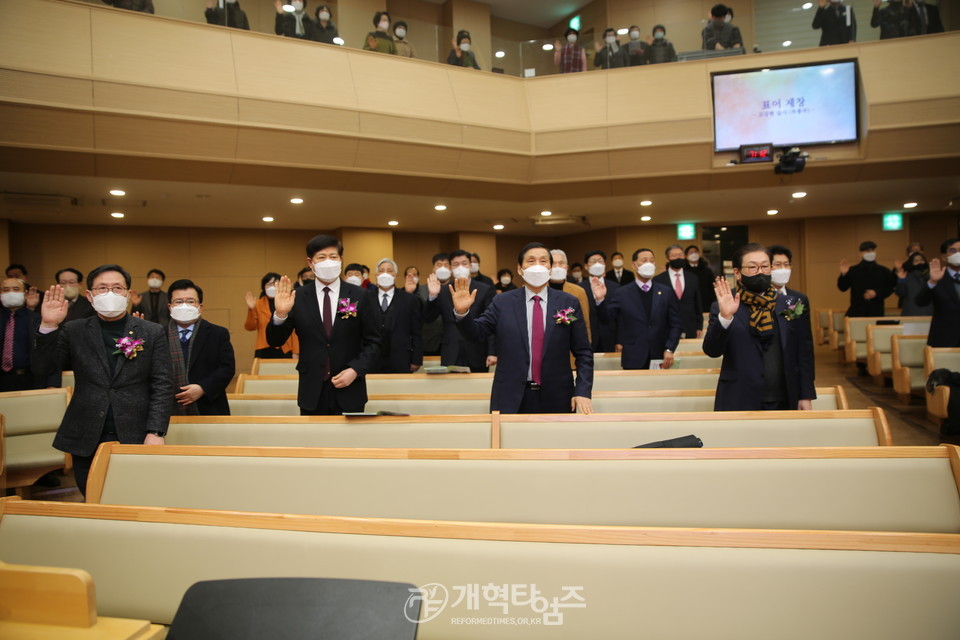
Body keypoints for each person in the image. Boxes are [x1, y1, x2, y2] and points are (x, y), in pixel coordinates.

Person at [33, 264, 172, 497]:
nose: (110, 293)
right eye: (102, 288)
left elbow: (162, 384)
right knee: (92, 495)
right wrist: (48, 326)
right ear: (89, 295)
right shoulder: (73, 330)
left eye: (117, 288)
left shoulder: (151, 332)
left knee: (135, 496)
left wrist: (156, 432)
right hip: (86, 432)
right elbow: (42, 369)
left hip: (135, 432)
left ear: (128, 294)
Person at [452, 243, 593, 414]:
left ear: (550, 268)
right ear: (520, 269)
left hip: (558, 395)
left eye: (543, 261)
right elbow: (476, 334)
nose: (537, 266)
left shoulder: (568, 302)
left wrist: (583, 391)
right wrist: (462, 313)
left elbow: (583, 352)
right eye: (531, 261)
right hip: (510, 395)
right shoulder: (502, 302)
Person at [266, 235, 382, 415]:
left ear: (341, 260)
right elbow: (275, 340)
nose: (328, 262)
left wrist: (355, 369)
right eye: (321, 257)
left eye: (333, 257)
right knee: (313, 442)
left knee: (350, 443)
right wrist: (280, 314)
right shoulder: (298, 297)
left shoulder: (360, 296)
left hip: (350, 388)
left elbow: (375, 341)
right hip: (312, 391)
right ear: (310, 262)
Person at [703, 244, 816, 411]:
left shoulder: (791, 304)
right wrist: (725, 318)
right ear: (737, 272)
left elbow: (803, 351)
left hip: (784, 396)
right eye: (752, 267)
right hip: (739, 396)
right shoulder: (724, 304)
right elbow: (712, 351)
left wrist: (805, 394)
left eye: (765, 266)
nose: (760, 271)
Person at [592, 248, 681, 370]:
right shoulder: (622, 293)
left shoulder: (666, 291)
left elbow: (676, 324)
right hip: (633, 357)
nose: (648, 263)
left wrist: (670, 348)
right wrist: (600, 300)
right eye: (644, 260)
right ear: (634, 265)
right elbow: (606, 320)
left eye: (651, 260)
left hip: (661, 355)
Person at [166, 279, 235, 416]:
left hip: (209, 406)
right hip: (167, 409)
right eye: (178, 301)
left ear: (200, 307)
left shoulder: (218, 333)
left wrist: (203, 388)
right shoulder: (158, 335)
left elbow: (227, 368)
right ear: (170, 307)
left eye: (191, 301)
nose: (184, 305)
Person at [424, 249, 496, 372]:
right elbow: (428, 318)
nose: (460, 267)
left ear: (470, 266)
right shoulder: (443, 290)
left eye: (464, 263)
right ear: (451, 268)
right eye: (456, 264)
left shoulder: (485, 289)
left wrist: (492, 352)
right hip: (451, 350)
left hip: (477, 351)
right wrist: (433, 296)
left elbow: (492, 323)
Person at [769, 244, 816, 385]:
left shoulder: (798, 299)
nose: (782, 269)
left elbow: (806, 341)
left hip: (793, 367)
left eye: (786, 264)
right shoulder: (759, 297)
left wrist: (809, 377)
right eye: (777, 265)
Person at [367, 258, 422, 373]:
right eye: (381, 271)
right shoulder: (366, 298)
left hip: (401, 358)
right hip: (371, 358)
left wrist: (416, 359)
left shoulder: (409, 299)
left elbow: (417, 331)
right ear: (376, 275)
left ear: (395, 275)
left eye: (389, 271)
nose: (385, 274)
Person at [917, 238, 960, 348]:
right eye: (953, 251)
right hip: (944, 338)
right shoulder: (935, 277)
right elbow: (920, 302)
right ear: (944, 257)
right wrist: (932, 282)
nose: (958, 254)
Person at [244, 272, 299, 359]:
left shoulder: (289, 302)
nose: (272, 287)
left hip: (286, 348)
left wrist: (296, 351)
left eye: (275, 283)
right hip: (264, 349)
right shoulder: (258, 304)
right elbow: (250, 327)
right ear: (263, 287)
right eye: (269, 284)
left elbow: (294, 331)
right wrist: (251, 309)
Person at [0, 278, 41, 392]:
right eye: (5, 290)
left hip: (28, 379)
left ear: (25, 293)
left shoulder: (37, 319)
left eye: (16, 289)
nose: (10, 293)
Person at [654, 244, 702, 339]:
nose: (678, 258)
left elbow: (698, 303)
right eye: (674, 256)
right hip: (666, 327)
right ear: (668, 259)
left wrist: (699, 326)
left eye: (680, 255)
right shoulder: (658, 280)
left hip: (690, 326)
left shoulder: (693, 278)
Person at [838, 241, 895, 317]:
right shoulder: (853, 270)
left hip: (876, 312)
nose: (871, 253)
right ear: (861, 253)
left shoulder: (884, 270)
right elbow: (842, 288)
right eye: (867, 251)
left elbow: (890, 288)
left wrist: (876, 293)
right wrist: (843, 274)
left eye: (872, 250)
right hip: (857, 312)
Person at [549, 249, 592, 346]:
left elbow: (585, 323)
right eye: (553, 263)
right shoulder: (539, 290)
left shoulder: (578, 291)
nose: (557, 267)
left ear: (567, 267)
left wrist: (586, 345)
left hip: (570, 346)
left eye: (561, 263)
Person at [580, 250, 620, 352]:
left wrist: (619, 341)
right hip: (586, 339)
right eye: (592, 261)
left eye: (600, 261)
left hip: (610, 339)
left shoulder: (615, 287)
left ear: (605, 264)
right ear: (586, 266)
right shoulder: (579, 289)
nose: (597, 264)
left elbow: (620, 317)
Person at [417, 253, 450, 356]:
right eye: (439, 265)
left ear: (451, 269)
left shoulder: (458, 289)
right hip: (428, 341)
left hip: (452, 341)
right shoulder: (421, 290)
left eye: (446, 265)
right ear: (433, 268)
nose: (442, 268)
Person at [894, 251, 932, 316]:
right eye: (916, 261)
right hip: (910, 313)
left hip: (929, 313)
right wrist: (901, 280)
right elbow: (901, 293)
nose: (920, 262)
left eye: (921, 260)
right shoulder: (907, 276)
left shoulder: (932, 276)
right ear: (911, 263)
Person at [685, 245, 717, 311]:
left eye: (695, 252)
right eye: (691, 252)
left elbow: (712, 287)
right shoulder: (683, 270)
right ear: (686, 256)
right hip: (688, 304)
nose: (694, 254)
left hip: (705, 303)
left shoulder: (707, 270)